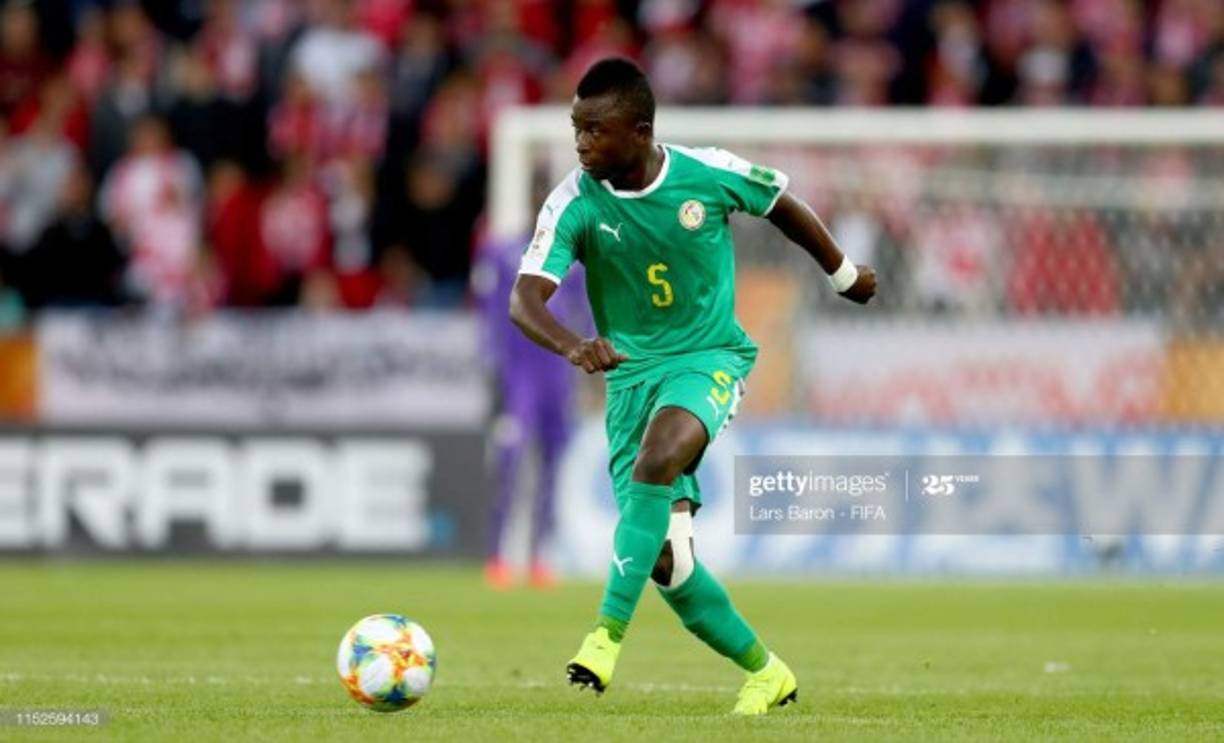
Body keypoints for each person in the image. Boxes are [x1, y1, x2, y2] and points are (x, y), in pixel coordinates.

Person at [508, 58, 876, 715]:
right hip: (628, 378)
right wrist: (573, 343)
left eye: (596, 130)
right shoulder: (574, 200)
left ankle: (603, 637)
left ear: (641, 132)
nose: (582, 143)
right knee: (668, 565)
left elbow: (783, 206)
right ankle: (768, 672)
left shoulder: (705, 172)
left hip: (708, 356)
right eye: (576, 129)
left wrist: (843, 272)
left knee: (658, 459)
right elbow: (525, 298)